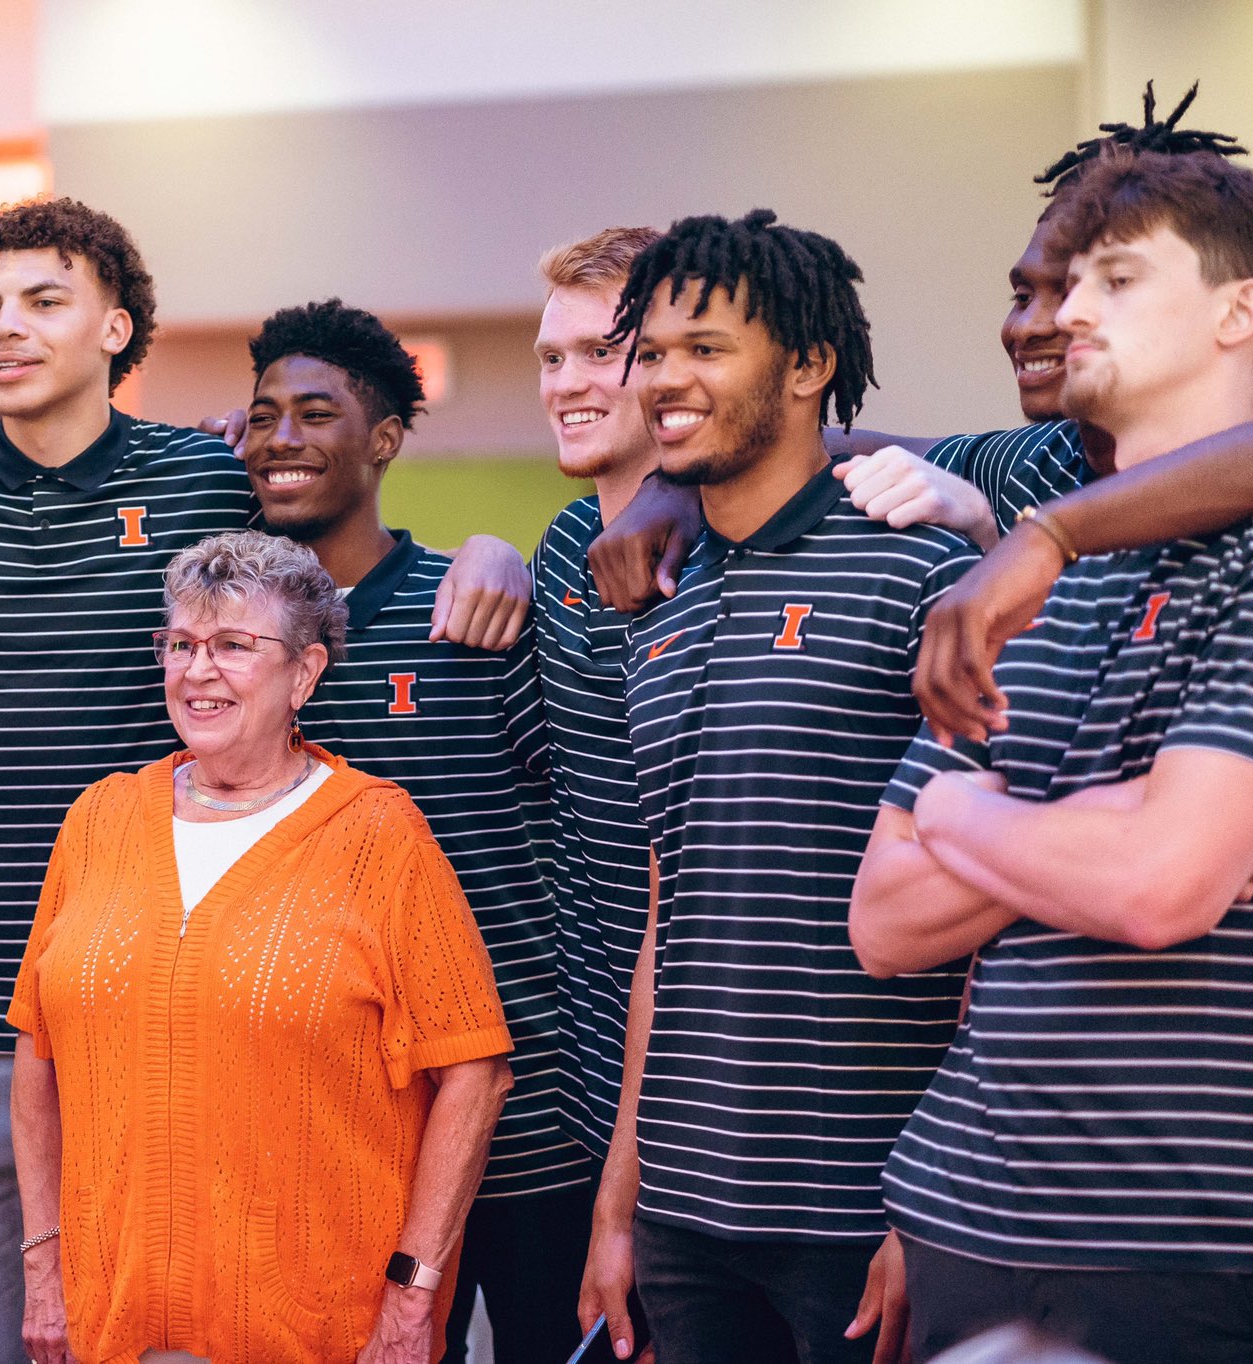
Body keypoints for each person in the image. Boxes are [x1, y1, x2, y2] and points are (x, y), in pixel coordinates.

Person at [0, 196, 529, 1358]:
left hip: (154, 1032)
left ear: (115, 329)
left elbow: (321, 549)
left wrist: (500, 553)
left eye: (43, 300)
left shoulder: (202, 476)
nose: (5, 326)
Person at [850, 149, 1253, 1364]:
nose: (1067, 309)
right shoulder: (1031, 590)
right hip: (959, 1209)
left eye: (1116, 280)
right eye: (1069, 281)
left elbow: (1155, 888)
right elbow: (882, 920)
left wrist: (961, 817)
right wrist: (1109, 814)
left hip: (1183, 1244)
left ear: (1238, 310)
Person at [603, 211, 980, 1364]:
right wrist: (619, 1201)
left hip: (865, 1211)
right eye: (651, 351)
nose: (663, 378)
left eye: (704, 348)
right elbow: (667, 911)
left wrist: (933, 1196)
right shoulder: (656, 598)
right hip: (681, 1214)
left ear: (808, 365)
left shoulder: (924, 574)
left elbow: (995, 916)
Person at [9, 530, 513, 1364]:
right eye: (181, 644)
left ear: (305, 674)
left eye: (234, 646)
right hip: (114, 1321)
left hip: (324, 1330)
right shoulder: (99, 820)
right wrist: (42, 1264)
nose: (197, 670)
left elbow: (475, 1072)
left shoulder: (379, 836)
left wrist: (413, 1291)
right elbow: (39, 1059)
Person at [235, 300, 583, 1363]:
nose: (282, 438)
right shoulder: (237, 646)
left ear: (384, 439)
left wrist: (504, 554)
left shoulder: (473, 610)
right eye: (263, 416)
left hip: (524, 1116)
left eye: (315, 414)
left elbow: (583, 826)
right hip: (344, 1131)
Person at [579, 81, 1246, 616]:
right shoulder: (1031, 463)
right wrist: (675, 485)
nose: (1044, 322)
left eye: (1113, 283)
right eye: (1025, 294)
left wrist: (1041, 537)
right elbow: (817, 443)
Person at [526, 228, 665, 1364]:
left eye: (598, 353)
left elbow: (683, 899)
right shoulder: (568, 540)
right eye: (550, 357)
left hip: (707, 1117)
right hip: (585, 1099)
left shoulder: (721, 565)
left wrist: (623, 1195)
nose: (566, 382)